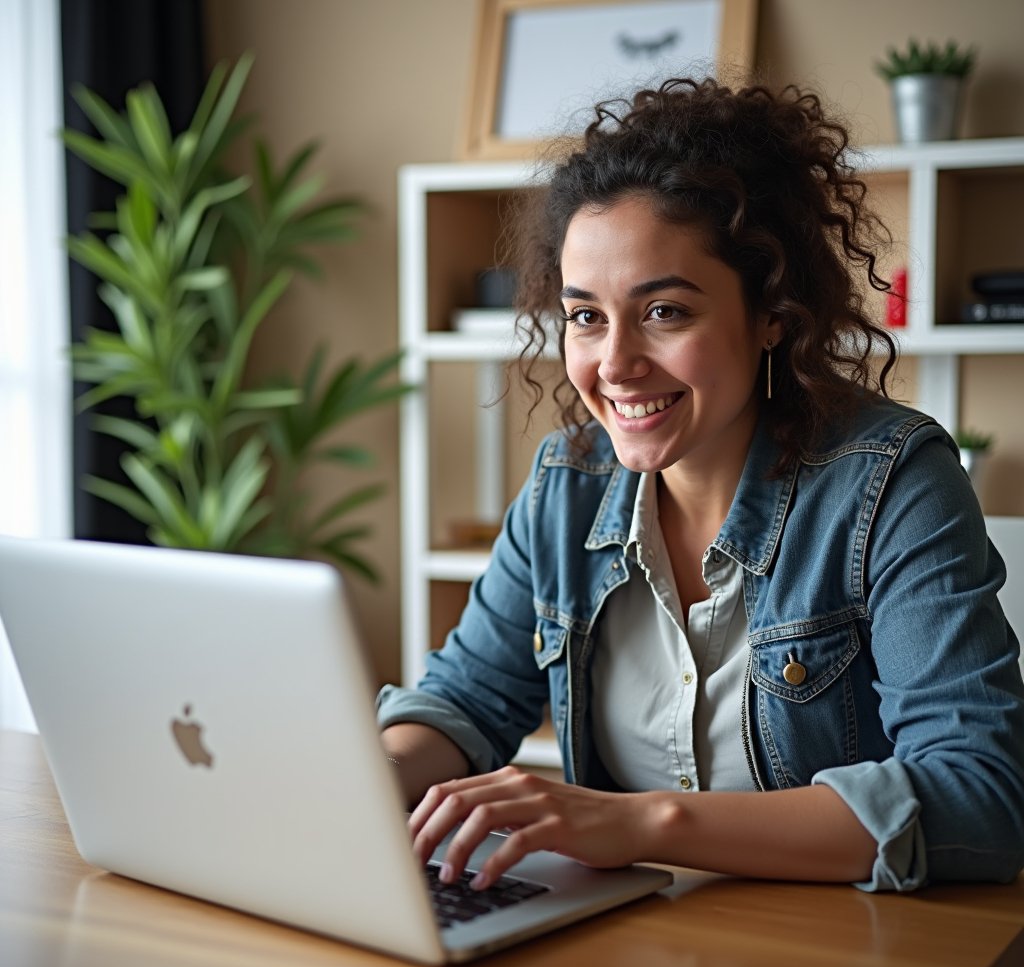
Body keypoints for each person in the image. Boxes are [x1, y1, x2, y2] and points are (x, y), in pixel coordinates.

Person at [377, 77, 1024, 894]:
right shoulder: (566, 485)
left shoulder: (892, 483)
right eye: (585, 316)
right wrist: (369, 776)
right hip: (631, 954)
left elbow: (980, 798)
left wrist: (644, 822)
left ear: (771, 316)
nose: (614, 365)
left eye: (665, 313)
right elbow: (466, 702)